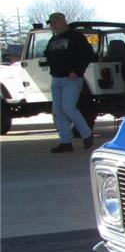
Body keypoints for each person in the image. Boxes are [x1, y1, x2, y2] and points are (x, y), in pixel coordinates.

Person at [44, 12, 96, 153]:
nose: (53, 25)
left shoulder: (76, 37)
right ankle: (66, 142)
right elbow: (48, 55)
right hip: (56, 79)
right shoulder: (53, 40)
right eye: (51, 23)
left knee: (68, 108)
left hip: (71, 79)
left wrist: (77, 71)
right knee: (58, 111)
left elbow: (88, 55)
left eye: (55, 22)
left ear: (63, 21)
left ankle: (87, 134)